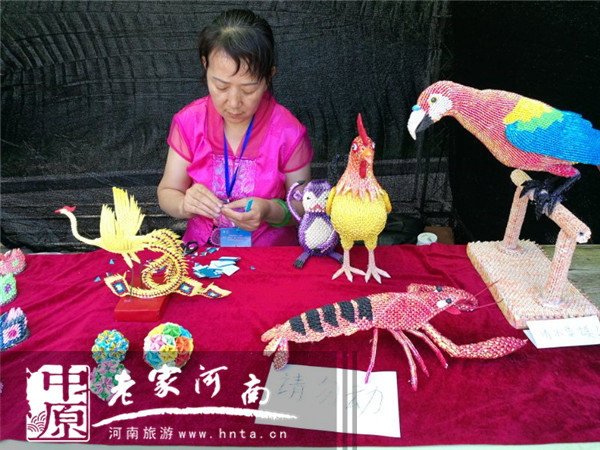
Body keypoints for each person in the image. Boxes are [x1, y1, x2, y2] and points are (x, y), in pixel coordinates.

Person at [158, 9, 313, 246]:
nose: (233, 102)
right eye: (221, 87)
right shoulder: (190, 122)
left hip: (268, 255)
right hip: (202, 252)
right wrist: (183, 204)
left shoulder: (287, 131)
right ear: (205, 65)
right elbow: (168, 191)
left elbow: (304, 207)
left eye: (248, 89)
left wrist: (269, 210)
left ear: (268, 77)